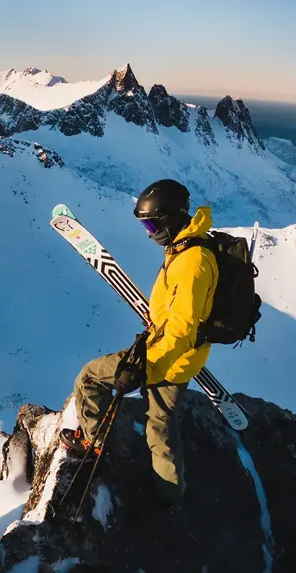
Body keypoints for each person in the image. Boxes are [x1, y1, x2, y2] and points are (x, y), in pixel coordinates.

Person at [59, 179, 219, 506]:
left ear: (171, 218)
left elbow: (182, 327)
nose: (148, 232)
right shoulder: (188, 247)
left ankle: (95, 443)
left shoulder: (191, 261)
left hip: (166, 356)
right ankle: (169, 493)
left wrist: (143, 368)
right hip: (179, 357)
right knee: (159, 425)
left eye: (151, 223)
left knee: (89, 379)